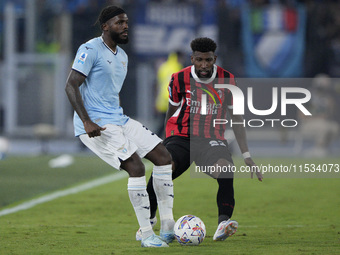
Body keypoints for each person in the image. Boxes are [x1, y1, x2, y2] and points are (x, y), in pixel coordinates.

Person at [65, 6, 175, 248]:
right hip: (96, 125)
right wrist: (86, 120)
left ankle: (167, 225)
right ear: (105, 26)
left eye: (126, 22)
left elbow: (109, 93)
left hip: (118, 119)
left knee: (164, 156)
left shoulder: (122, 56)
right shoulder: (89, 49)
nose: (125, 26)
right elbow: (71, 86)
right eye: (119, 22)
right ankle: (146, 233)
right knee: (136, 167)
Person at [137, 37, 263, 242]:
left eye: (208, 60)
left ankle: (223, 223)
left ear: (215, 58)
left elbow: (237, 119)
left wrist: (246, 154)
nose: (204, 65)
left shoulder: (228, 80)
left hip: (212, 139)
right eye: (199, 60)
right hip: (182, 136)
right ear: (192, 58)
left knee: (225, 169)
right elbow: (171, 110)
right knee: (163, 168)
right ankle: (149, 221)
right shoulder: (178, 78)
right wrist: (166, 142)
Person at [154, 51, 184, 137]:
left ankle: (156, 139)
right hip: (172, 99)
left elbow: (158, 83)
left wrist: (156, 100)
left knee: (164, 122)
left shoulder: (163, 67)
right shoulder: (178, 67)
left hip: (162, 100)